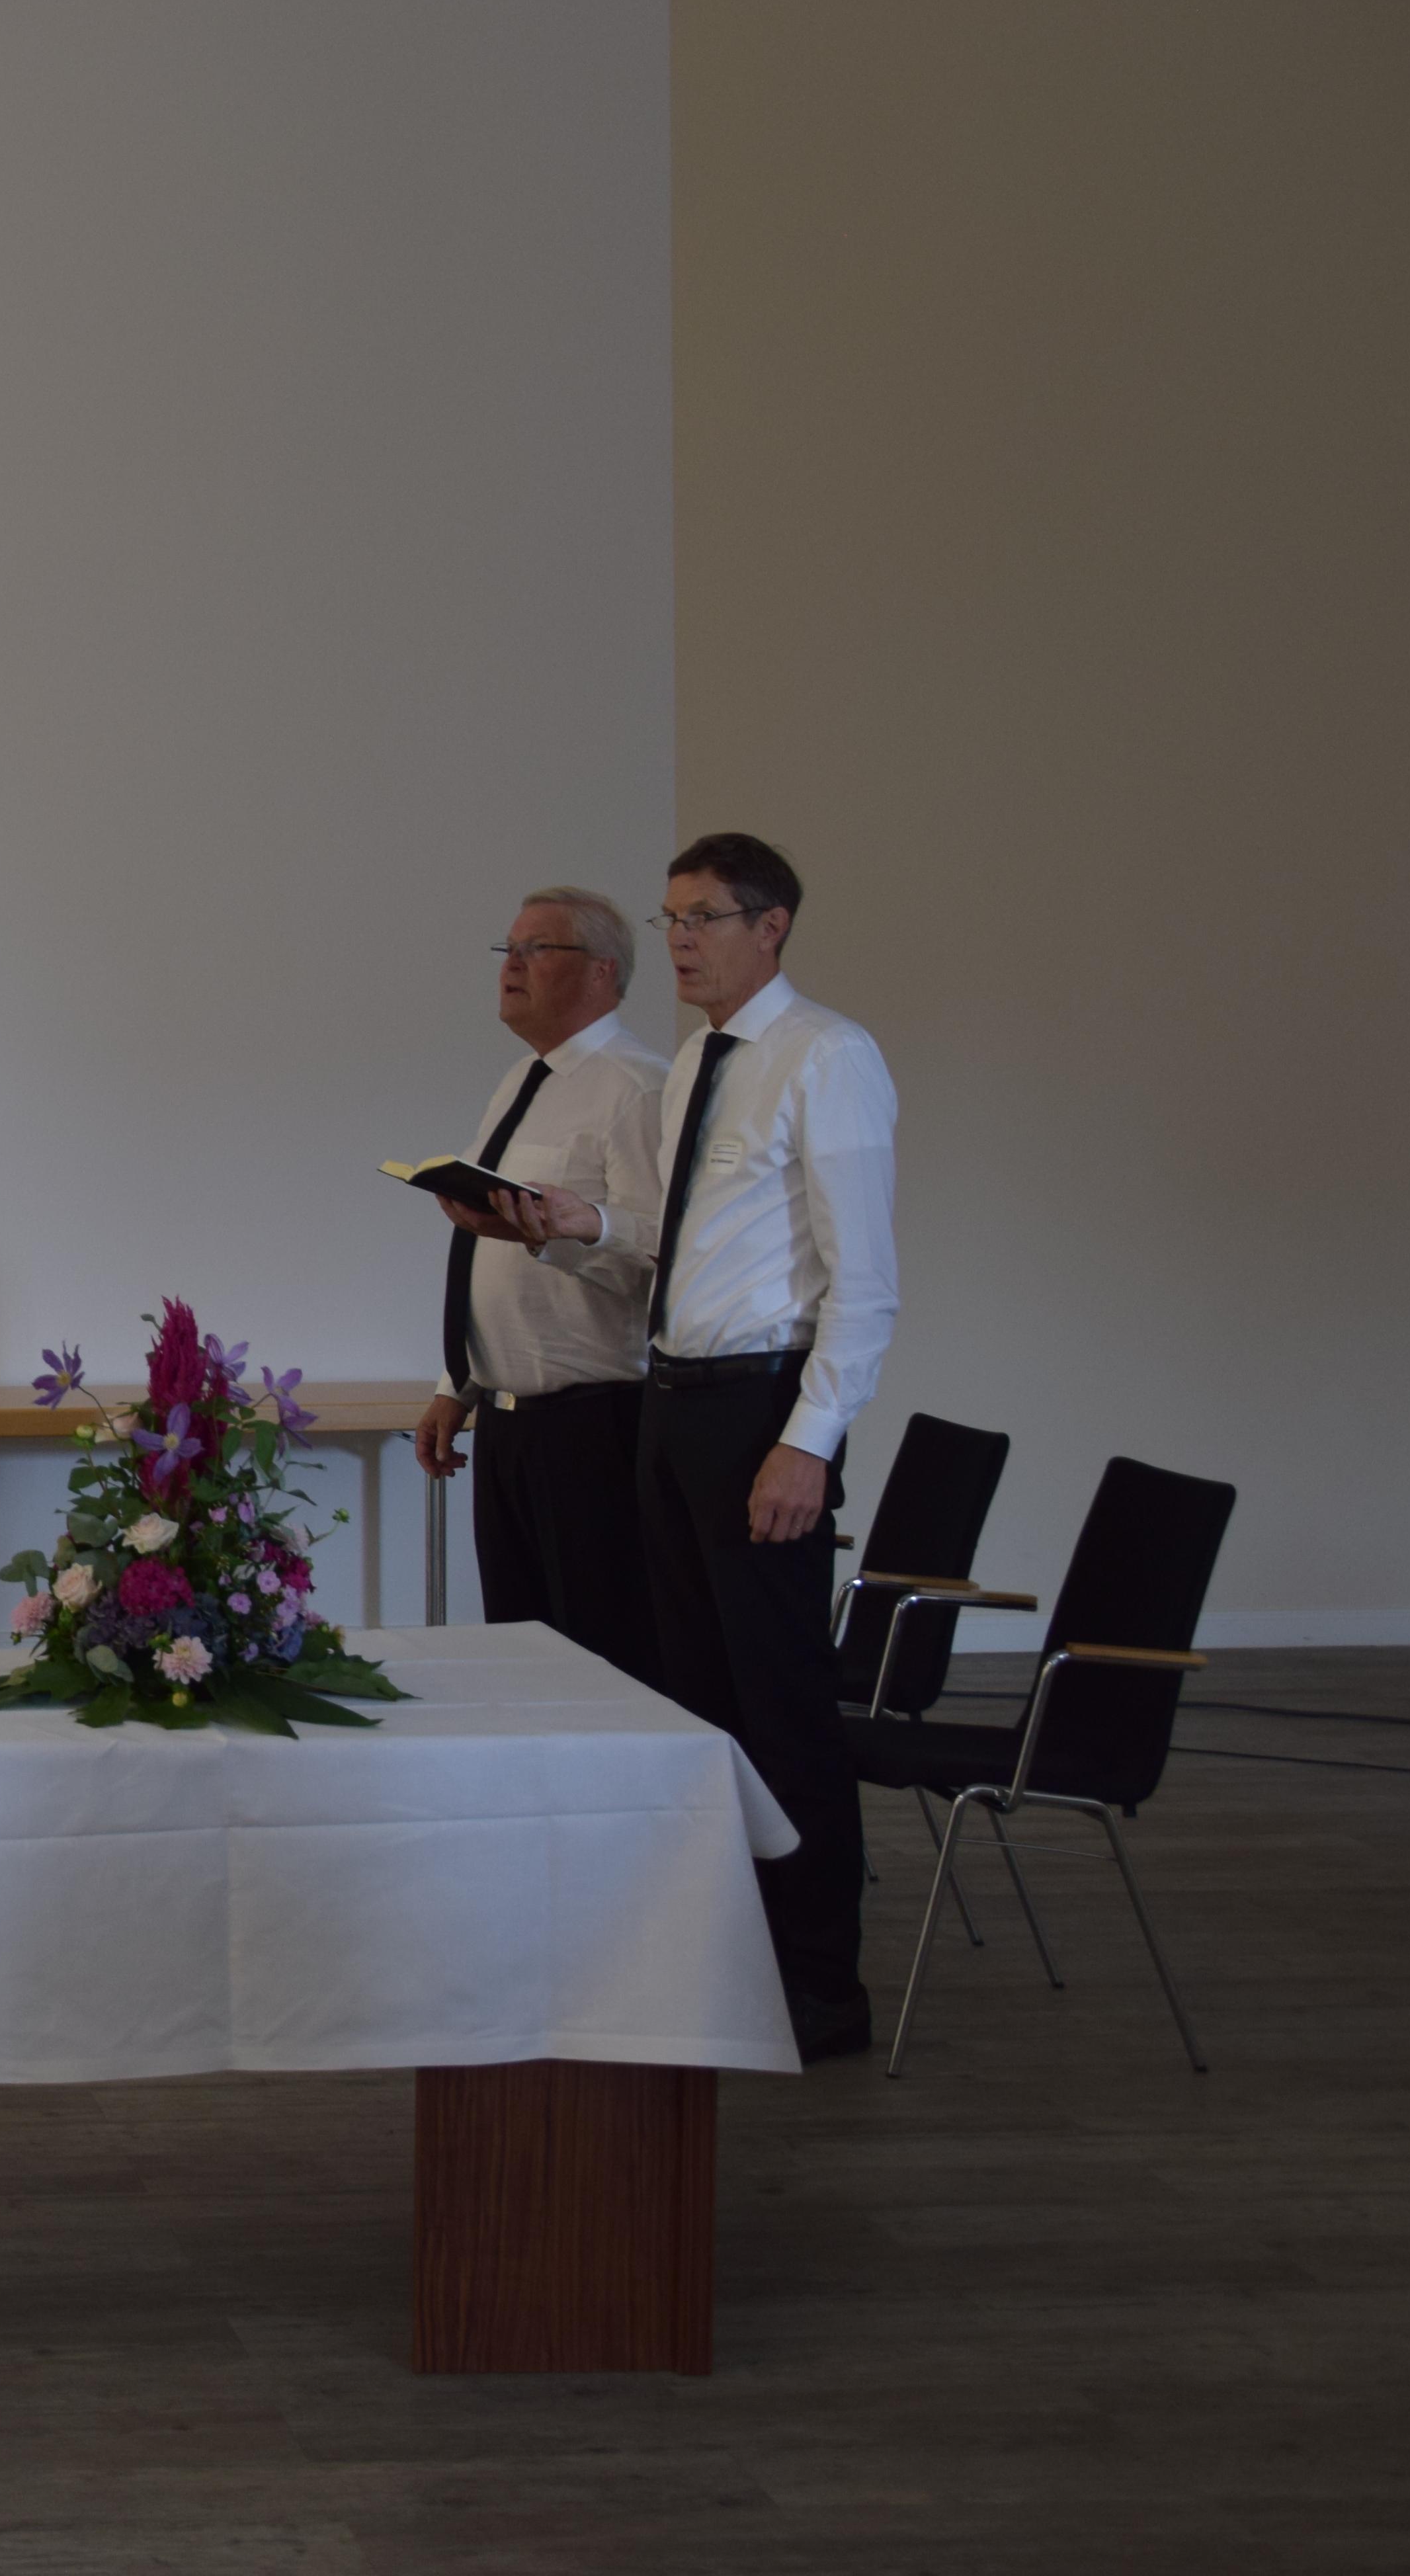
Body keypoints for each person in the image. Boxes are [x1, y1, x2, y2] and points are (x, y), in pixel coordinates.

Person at [494, 833, 898, 2061]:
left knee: (781, 1703)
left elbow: (865, 1286)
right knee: (695, 1699)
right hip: (671, 1402)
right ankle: (729, 1953)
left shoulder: (826, 1056)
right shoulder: (691, 1066)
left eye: (703, 918)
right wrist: (584, 1224)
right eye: (669, 918)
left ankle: (822, 1982)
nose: (678, 940)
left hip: (759, 1409)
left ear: (772, 927)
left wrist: (808, 1442)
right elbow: (677, 1245)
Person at [406, 888, 668, 1690]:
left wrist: (555, 1236)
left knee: (601, 1661)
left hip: (594, 1424)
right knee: (521, 1657)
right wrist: (459, 1382)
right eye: (508, 949)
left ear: (602, 972)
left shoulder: (637, 1088)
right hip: (510, 1423)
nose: (511, 965)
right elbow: (495, 1249)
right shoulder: (524, 1079)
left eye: (537, 949)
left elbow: (659, 1254)